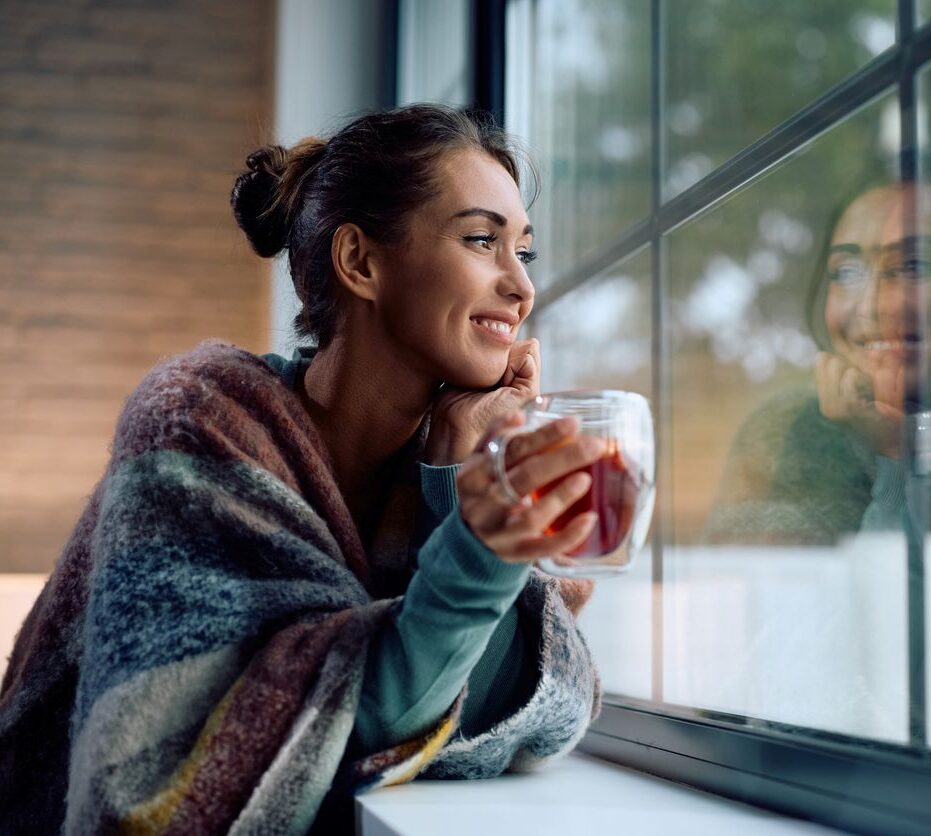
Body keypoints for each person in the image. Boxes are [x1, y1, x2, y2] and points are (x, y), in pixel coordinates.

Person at [0, 104, 606, 833]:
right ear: (360, 262)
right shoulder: (198, 424)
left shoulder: (453, 452)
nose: (521, 287)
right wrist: (472, 557)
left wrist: (452, 478)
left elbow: (535, 698)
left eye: (525, 252)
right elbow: (331, 723)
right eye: (483, 240)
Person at [705, 152, 931, 544]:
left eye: (918, 265)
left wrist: (927, 453)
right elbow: (780, 596)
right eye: (846, 272)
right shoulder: (796, 432)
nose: (873, 305)